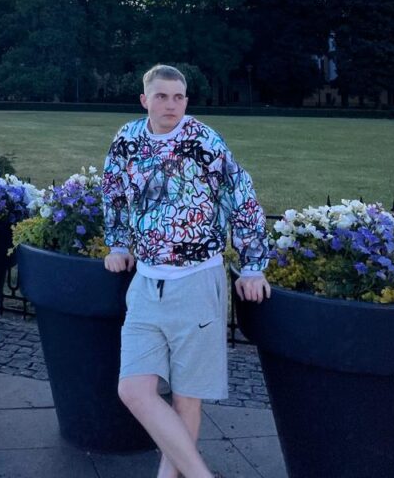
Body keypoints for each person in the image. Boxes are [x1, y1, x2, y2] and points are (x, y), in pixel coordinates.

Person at [103, 64, 270, 478]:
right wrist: (118, 244)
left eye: (178, 97)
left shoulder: (205, 141)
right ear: (144, 100)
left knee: (186, 398)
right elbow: (113, 193)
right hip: (146, 283)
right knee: (134, 390)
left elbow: (241, 197)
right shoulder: (127, 140)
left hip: (196, 281)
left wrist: (252, 266)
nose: (171, 105)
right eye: (161, 96)